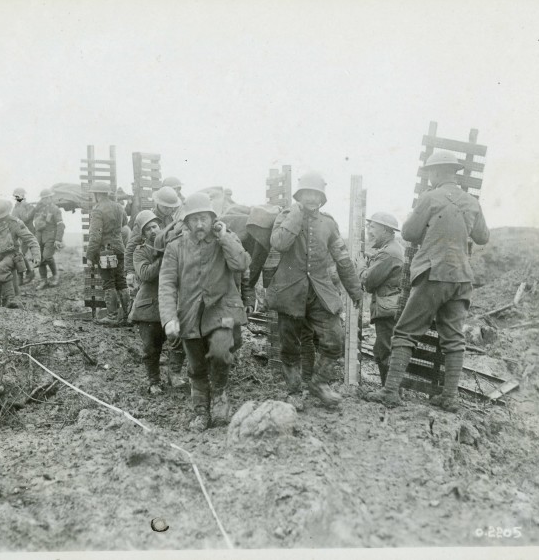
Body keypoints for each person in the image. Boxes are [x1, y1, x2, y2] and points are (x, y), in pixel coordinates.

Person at [364, 151, 489, 412]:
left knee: (405, 332)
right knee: (454, 339)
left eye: (429, 173)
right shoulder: (471, 202)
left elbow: (409, 233)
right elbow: (483, 237)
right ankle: (450, 398)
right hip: (462, 277)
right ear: (453, 172)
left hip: (433, 273)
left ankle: (390, 392)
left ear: (435, 172)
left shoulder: (430, 197)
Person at [267, 173, 363, 411]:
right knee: (290, 347)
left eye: (316, 194)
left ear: (322, 197)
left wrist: (356, 292)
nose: (312, 198)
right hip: (290, 293)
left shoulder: (328, 223)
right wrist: (296, 215)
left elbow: (342, 259)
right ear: (299, 196)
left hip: (320, 293)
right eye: (307, 193)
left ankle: (319, 384)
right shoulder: (286, 217)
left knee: (334, 340)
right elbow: (279, 243)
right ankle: (293, 391)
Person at [159, 193, 251, 431]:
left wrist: (224, 237)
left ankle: (220, 395)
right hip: (190, 313)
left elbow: (241, 264)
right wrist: (169, 318)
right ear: (186, 222)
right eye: (195, 219)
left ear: (213, 220)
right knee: (196, 367)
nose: (200, 224)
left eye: (205, 218)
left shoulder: (225, 239)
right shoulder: (175, 247)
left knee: (221, 349)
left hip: (223, 309)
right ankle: (201, 412)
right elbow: (167, 283)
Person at [353, 212, 405, 385]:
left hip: (387, 309)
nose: (369, 231)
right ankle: (391, 389)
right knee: (385, 349)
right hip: (391, 307)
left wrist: (360, 266)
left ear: (386, 230)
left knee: (383, 351)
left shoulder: (388, 253)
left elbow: (368, 282)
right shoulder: (391, 249)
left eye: (373, 227)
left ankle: (390, 390)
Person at [129, 210, 171, 394]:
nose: (153, 231)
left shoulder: (172, 246)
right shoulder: (140, 252)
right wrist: (163, 258)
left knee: (180, 343)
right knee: (151, 349)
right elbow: (145, 273)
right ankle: (154, 382)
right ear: (143, 234)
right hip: (149, 308)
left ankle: (174, 375)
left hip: (170, 305)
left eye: (155, 226)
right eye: (148, 229)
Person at [0, 199, 41, 309]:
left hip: (12, 255)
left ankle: (11, 299)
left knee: (2, 268)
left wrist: (36, 255)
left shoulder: (15, 223)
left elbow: (30, 239)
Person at [85, 181, 130, 326]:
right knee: (121, 282)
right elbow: (125, 222)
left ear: (97, 194)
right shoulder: (119, 206)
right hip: (120, 249)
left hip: (106, 251)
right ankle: (127, 317)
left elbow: (95, 236)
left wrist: (90, 256)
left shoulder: (97, 210)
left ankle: (112, 316)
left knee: (108, 282)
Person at [32, 188, 65, 289]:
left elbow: (60, 225)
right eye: (43, 198)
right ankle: (43, 280)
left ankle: (55, 276)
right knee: (39, 258)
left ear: (51, 198)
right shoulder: (39, 209)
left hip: (51, 236)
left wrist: (58, 239)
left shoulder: (55, 209)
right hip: (39, 236)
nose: (45, 200)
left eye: (47, 198)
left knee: (47, 257)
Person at [11, 187, 37, 284]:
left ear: (23, 195)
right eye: (15, 195)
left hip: (27, 233)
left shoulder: (28, 206)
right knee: (19, 254)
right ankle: (22, 276)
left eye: (19, 194)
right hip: (18, 233)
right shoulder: (16, 206)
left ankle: (28, 273)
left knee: (21, 253)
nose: (17, 196)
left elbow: (25, 218)